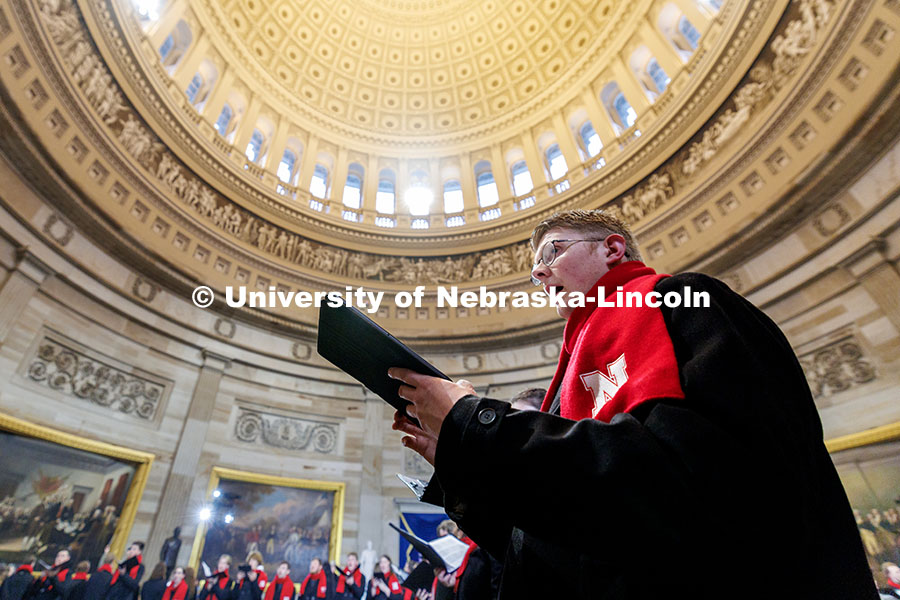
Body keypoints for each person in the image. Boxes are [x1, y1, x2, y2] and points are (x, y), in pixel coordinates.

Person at [390, 208, 878, 599]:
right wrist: (465, 458)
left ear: (612, 248)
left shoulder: (687, 303)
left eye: (553, 252)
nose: (539, 272)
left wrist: (481, 425)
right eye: (537, 268)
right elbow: (558, 545)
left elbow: (689, 486)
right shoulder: (567, 380)